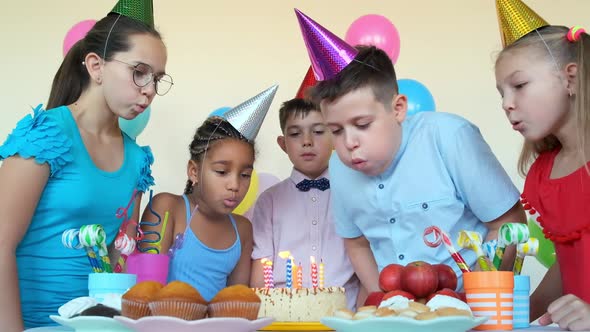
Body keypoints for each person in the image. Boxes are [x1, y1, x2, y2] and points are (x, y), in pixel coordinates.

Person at [294, 9, 525, 301]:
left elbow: (508, 222)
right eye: (335, 130)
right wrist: (385, 300)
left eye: (362, 125)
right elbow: (356, 243)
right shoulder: (339, 168)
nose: (348, 142)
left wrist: (477, 298)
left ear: (398, 108)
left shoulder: (449, 137)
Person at [0, 0, 172, 329]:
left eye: (157, 78)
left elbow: (116, 261)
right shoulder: (47, 135)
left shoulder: (138, 160)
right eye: (138, 72)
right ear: (96, 66)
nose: (149, 90)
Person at [494, 0, 590, 329]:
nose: (507, 104)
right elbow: (569, 268)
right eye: (501, 93)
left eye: (519, 86)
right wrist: (512, 319)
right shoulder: (544, 173)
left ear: (571, 79)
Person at [139, 86, 277, 302]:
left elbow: (234, 305)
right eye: (222, 172)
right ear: (194, 171)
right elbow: (144, 292)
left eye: (245, 174)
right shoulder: (167, 208)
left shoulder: (242, 230)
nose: (235, 185)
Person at [250, 98, 360, 309]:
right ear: (283, 144)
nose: (307, 141)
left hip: (344, 315)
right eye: (295, 134)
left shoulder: (352, 193)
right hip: (284, 316)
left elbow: (366, 264)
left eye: (318, 131)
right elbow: (260, 274)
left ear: (335, 136)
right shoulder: (269, 201)